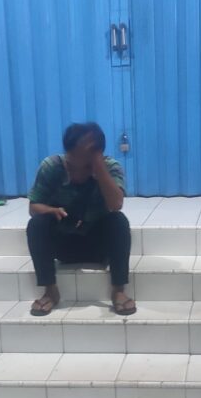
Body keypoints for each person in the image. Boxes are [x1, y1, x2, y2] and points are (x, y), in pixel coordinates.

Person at [26, 122, 135, 316]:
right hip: (64, 244)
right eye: (72, 154)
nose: (73, 160)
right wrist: (51, 210)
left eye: (86, 157)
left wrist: (99, 168)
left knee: (118, 221)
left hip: (99, 246)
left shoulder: (110, 167)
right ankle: (50, 291)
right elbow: (33, 207)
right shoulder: (52, 166)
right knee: (36, 224)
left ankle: (118, 290)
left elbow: (116, 204)